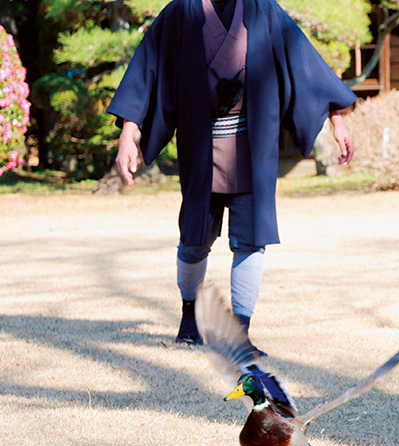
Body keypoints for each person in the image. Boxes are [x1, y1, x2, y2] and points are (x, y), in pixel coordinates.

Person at [107, 0, 356, 345]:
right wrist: (127, 135)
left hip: (253, 148)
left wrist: (337, 120)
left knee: (252, 240)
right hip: (200, 147)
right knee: (194, 239)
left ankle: (241, 333)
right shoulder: (180, 12)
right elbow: (146, 71)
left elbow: (304, 65)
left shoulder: (263, 10)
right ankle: (189, 321)